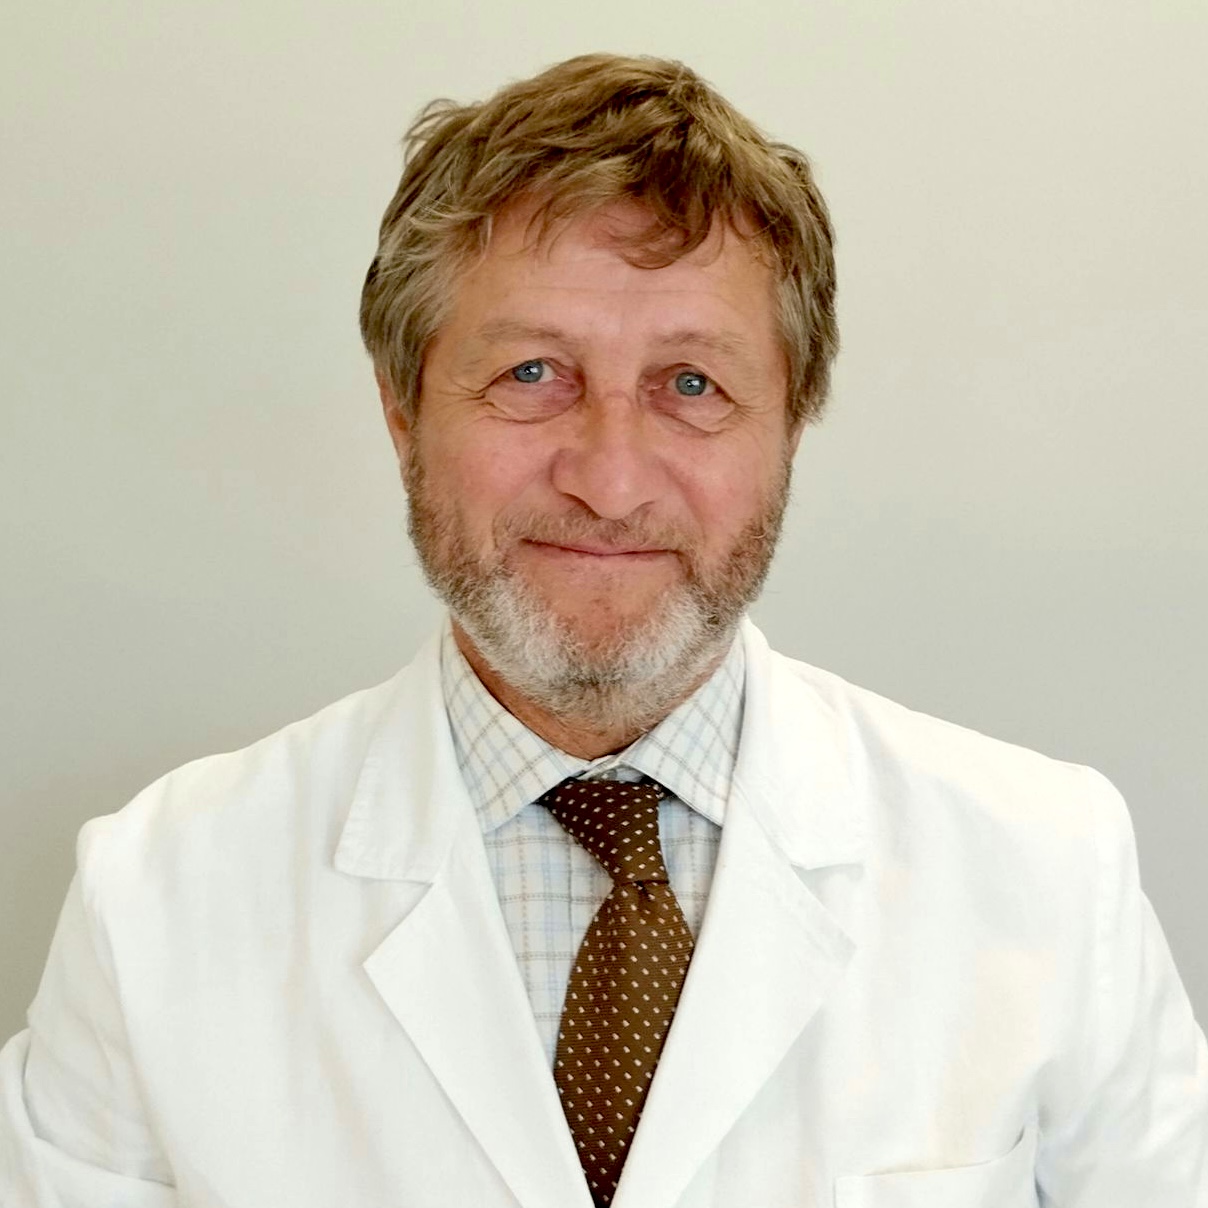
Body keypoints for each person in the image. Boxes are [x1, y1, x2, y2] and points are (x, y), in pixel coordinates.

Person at [1, 51, 1205, 1208]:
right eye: (531, 373)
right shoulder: (153, 897)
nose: (609, 480)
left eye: (692, 384)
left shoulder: (1046, 871)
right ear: (402, 411)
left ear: (789, 425)